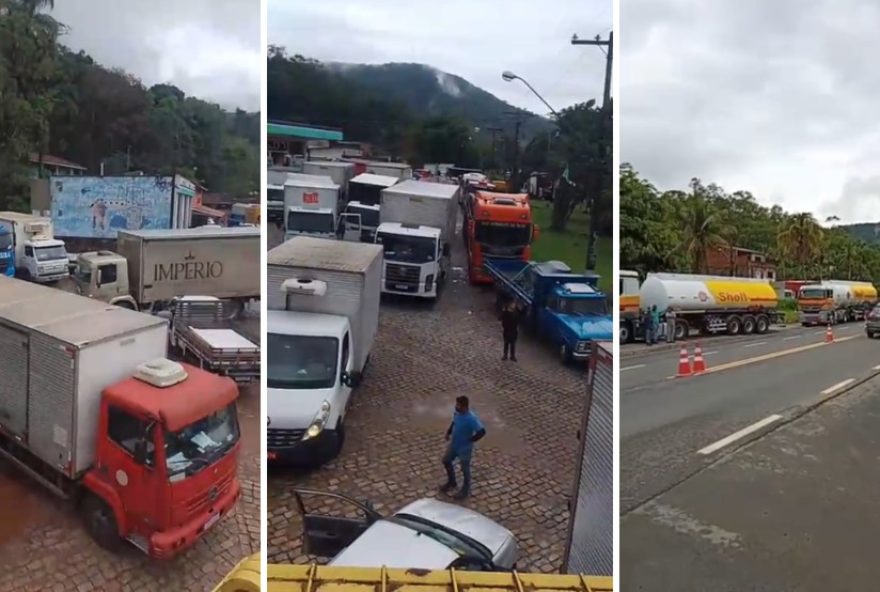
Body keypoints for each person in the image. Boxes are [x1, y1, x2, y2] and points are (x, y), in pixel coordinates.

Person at [440, 396, 486, 500]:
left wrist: (471, 440)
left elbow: (482, 432)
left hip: (464, 448)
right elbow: (454, 422)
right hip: (454, 444)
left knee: (465, 469)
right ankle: (452, 482)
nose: (456, 406)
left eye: (458, 405)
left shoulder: (471, 419)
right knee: (446, 460)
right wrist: (448, 432)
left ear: (465, 406)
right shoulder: (457, 413)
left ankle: (465, 490)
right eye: (456, 404)